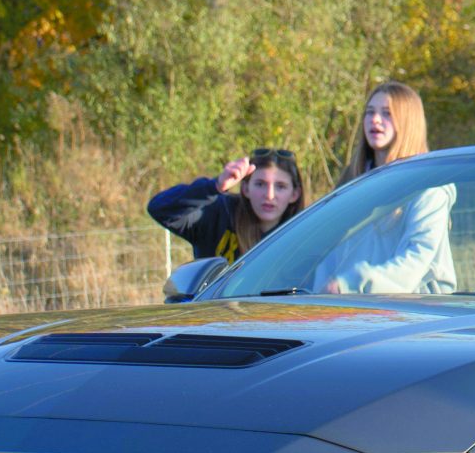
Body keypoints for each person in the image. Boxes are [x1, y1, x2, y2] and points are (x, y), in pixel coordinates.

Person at [318, 81, 454, 294]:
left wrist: (351, 284)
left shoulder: (429, 190)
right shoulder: (350, 184)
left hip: (411, 317)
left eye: (387, 113)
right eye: (370, 112)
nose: (375, 120)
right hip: (343, 314)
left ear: (408, 122)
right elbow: (328, 254)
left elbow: (416, 260)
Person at [145, 148, 305, 263]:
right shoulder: (218, 213)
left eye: (280, 186)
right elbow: (159, 208)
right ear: (245, 188)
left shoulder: (307, 235)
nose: (269, 195)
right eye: (260, 184)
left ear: (294, 194)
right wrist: (215, 186)